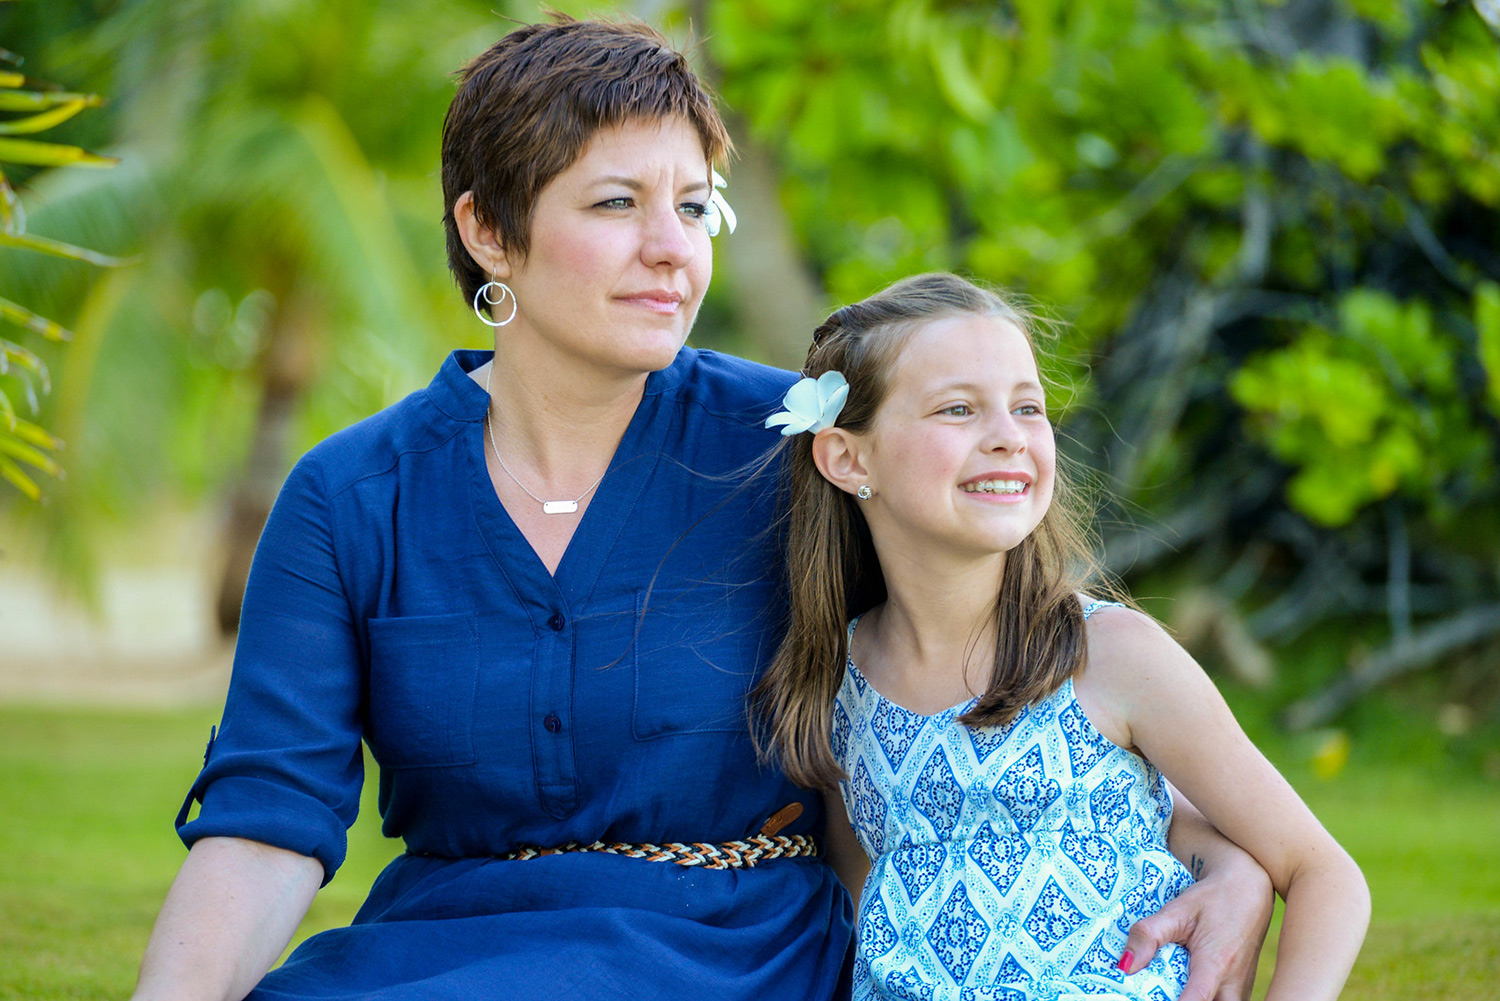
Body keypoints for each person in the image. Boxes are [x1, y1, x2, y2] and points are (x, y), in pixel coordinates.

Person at [131, 17, 1277, 1001]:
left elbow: (1016, 663)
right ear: (488, 231)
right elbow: (267, 823)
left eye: (692, 205)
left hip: (735, 952)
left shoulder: (798, 447)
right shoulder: (348, 500)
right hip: (449, 946)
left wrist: (1216, 848)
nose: (671, 250)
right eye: (618, 202)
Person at [754, 272, 1371, 1000]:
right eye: (959, 409)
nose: (1008, 438)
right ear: (849, 459)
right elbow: (869, 905)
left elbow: (1324, 873)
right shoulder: (841, 680)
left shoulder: (1108, 654)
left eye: (1027, 407)